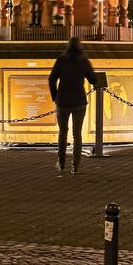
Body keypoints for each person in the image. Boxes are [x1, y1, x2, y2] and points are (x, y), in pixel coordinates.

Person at [49, 36, 97, 175]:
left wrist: (55, 96)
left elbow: (52, 79)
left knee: (62, 133)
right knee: (77, 134)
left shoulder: (61, 60)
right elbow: (93, 79)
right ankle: (75, 165)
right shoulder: (84, 61)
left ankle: (61, 162)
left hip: (63, 101)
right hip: (79, 101)